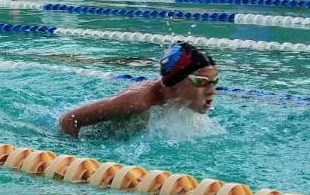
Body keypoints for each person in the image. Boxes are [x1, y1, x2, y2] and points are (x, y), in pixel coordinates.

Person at [58, 42, 218, 137]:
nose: (212, 91)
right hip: (97, 138)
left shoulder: (182, 101)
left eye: (214, 82)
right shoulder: (137, 102)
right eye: (202, 82)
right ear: (176, 82)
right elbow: (69, 120)